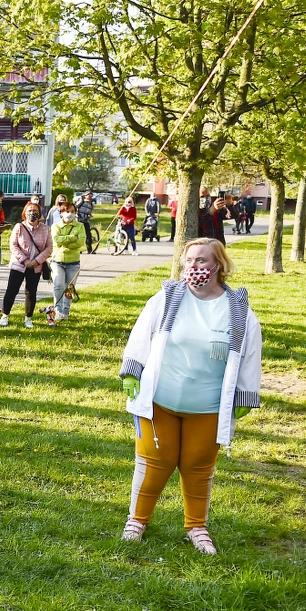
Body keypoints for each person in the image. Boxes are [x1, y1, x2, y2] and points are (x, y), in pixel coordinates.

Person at [119, 238, 262, 556]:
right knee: (155, 462)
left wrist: (245, 396)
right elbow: (141, 334)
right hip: (160, 402)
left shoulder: (238, 311)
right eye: (188, 261)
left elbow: (250, 354)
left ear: (218, 265)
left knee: (198, 466)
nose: (193, 267)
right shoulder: (167, 299)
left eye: (201, 261)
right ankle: (137, 521)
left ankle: (197, 527)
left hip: (208, 406)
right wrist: (132, 371)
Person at [0, 202, 51, 328]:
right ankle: (5, 314)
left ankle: (28, 317)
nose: (32, 213)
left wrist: (36, 261)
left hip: (36, 266)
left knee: (31, 292)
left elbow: (49, 248)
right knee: (12, 290)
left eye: (35, 210)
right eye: (30, 210)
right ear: (25, 213)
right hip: (19, 264)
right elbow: (13, 245)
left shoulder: (45, 229)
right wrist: (25, 260)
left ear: (39, 213)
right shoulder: (19, 227)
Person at [48, 199, 85, 326]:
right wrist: (72, 238)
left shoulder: (80, 226)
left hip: (73, 262)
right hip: (57, 261)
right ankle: (57, 310)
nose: (70, 214)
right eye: (67, 211)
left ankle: (65, 312)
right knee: (58, 285)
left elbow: (80, 242)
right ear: (62, 213)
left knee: (70, 288)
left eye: (72, 212)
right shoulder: (55, 226)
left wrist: (66, 241)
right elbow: (56, 240)